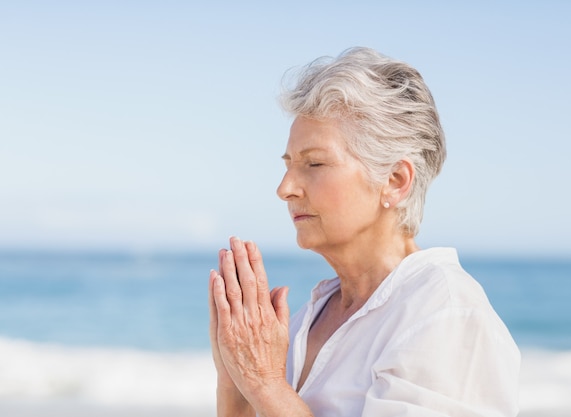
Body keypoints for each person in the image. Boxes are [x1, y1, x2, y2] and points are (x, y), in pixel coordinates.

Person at [208, 47, 520, 417]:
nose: (286, 187)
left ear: (395, 180)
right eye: (289, 165)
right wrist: (235, 381)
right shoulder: (309, 317)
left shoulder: (445, 312)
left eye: (315, 163)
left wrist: (264, 382)